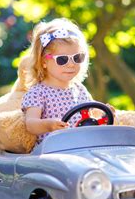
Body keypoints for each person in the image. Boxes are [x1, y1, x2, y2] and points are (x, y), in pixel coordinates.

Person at [21, 18, 112, 146]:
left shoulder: (79, 89)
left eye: (77, 58)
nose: (71, 64)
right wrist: (48, 125)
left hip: (83, 147)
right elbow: (30, 124)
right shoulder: (38, 93)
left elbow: (89, 117)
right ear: (44, 61)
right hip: (53, 151)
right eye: (62, 59)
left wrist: (104, 114)